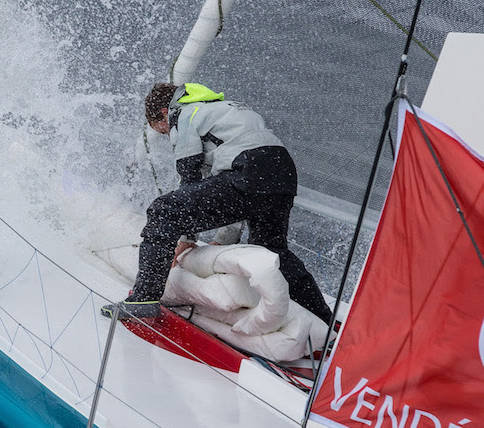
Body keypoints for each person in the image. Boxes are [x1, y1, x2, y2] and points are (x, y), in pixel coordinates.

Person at [116, 82, 334, 324]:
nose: (169, 135)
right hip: (281, 173)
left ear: (165, 113)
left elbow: (190, 177)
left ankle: (143, 299)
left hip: (249, 170)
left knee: (164, 210)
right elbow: (233, 196)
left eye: (164, 131)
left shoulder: (185, 114)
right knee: (271, 250)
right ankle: (325, 321)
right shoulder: (227, 108)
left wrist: (186, 239)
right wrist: (223, 241)